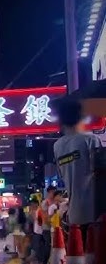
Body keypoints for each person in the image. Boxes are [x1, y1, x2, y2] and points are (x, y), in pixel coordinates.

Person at [53, 98, 102, 244]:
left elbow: (62, 175)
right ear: (81, 117)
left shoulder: (57, 146)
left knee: (83, 260)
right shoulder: (90, 140)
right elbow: (102, 175)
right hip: (96, 213)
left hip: (75, 216)